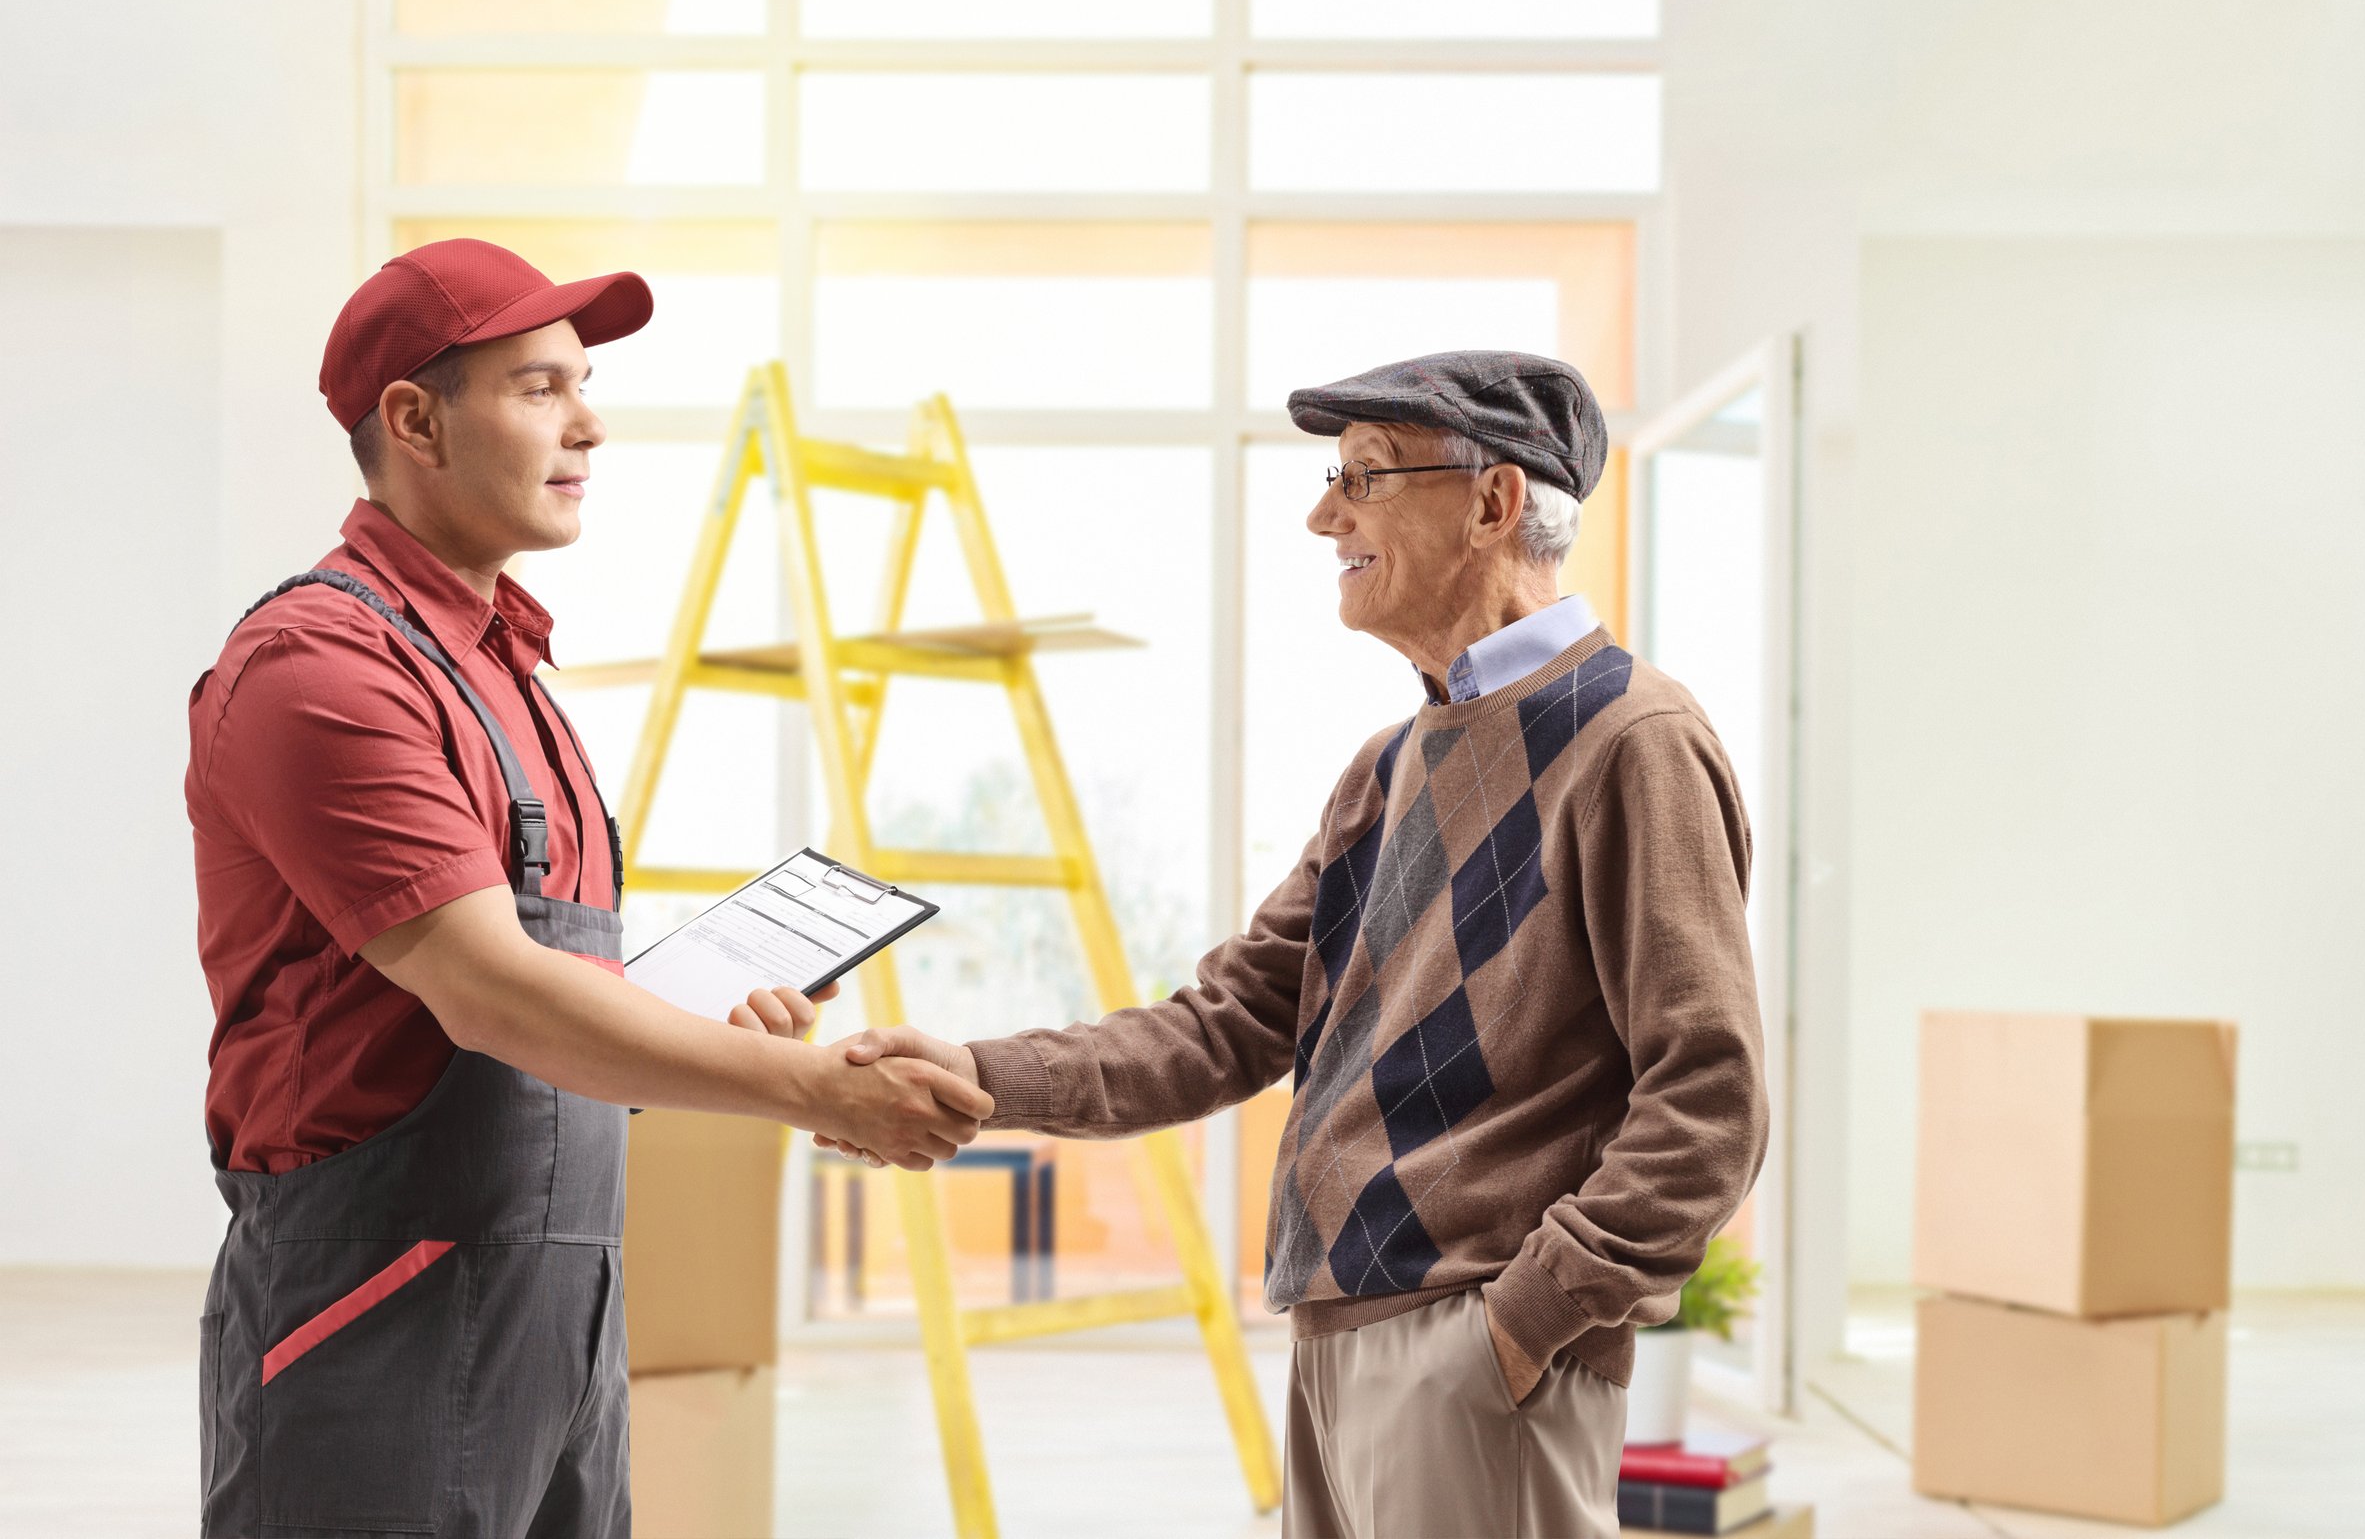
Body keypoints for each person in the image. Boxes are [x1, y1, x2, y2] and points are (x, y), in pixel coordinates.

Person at [834, 351, 1770, 1538]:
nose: (1325, 514)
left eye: (1366, 477)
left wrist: (1525, 1323)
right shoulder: (1388, 766)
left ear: (1493, 503)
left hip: (1473, 1346)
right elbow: (1222, 1025)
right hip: (1339, 1337)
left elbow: (1710, 1098)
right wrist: (975, 1075)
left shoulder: (1633, 738)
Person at [186, 238, 991, 1537]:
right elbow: (491, 987)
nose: (591, 424)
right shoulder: (315, 667)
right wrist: (811, 1088)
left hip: (558, 1315)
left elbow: (552, 980)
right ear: (413, 420)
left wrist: (696, 1017)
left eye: (585, 383)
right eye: (541, 387)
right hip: (376, 1311)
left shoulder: (510, 671)